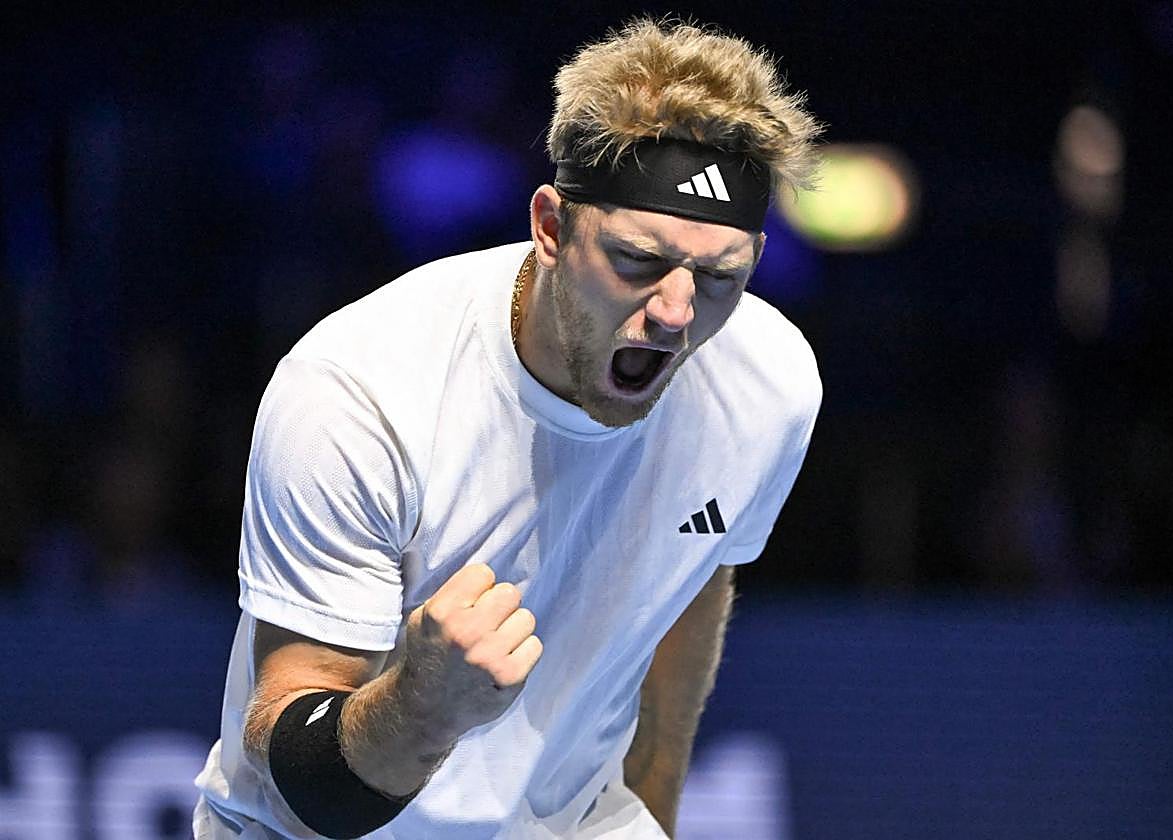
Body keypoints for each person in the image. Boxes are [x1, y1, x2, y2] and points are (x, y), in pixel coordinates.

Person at [194, 17, 822, 840]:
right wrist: (421, 707)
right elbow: (305, 784)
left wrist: (654, 812)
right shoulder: (356, 391)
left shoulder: (769, 383)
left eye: (717, 276)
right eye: (637, 260)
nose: (675, 312)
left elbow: (692, 586)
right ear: (551, 228)